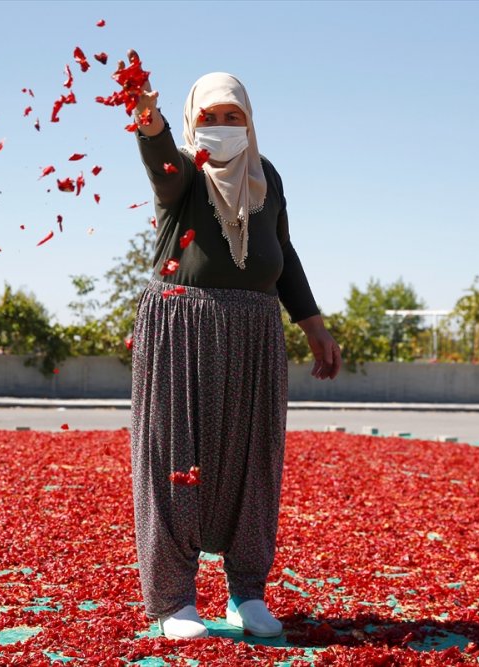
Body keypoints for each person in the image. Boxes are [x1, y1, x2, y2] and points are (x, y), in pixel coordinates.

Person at [125, 50, 341, 641]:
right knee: (177, 458)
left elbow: (283, 252)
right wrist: (151, 125)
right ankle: (173, 601)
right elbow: (162, 167)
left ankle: (246, 593)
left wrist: (312, 322)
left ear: (249, 119)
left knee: (253, 457)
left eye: (233, 115)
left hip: (255, 328)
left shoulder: (266, 175)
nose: (222, 125)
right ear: (193, 120)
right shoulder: (186, 174)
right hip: (183, 327)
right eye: (210, 115)